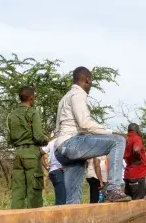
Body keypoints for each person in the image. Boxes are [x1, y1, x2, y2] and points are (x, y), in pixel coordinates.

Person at [55, 67, 131, 204]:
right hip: (70, 144)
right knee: (118, 141)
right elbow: (85, 123)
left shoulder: (64, 98)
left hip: (61, 149)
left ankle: (71, 219)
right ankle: (113, 189)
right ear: (87, 80)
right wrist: (112, 132)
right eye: (91, 83)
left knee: (72, 199)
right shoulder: (78, 94)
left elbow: (58, 128)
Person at [7, 86, 49, 209]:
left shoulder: (11, 115)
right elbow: (38, 136)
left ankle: (14, 220)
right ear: (31, 98)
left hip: (18, 153)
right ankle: (34, 221)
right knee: (34, 190)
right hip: (31, 153)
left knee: (17, 190)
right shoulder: (33, 112)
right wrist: (46, 139)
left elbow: (9, 138)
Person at [123, 123, 146, 200]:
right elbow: (136, 150)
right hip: (138, 173)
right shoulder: (136, 138)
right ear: (137, 130)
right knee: (138, 201)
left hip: (128, 174)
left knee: (129, 199)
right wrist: (138, 160)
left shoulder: (125, 139)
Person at [42, 136, 66, 205]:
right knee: (62, 200)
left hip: (53, 171)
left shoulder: (51, 142)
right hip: (59, 170)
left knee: (59, 198)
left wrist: (47, 167)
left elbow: (41, 153)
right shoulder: (63, 140)